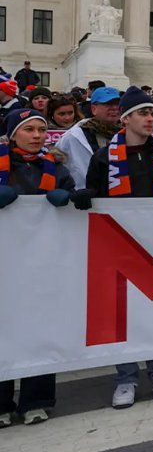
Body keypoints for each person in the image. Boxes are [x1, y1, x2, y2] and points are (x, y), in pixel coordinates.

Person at [78, 86, 153, 410]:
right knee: (123, 314)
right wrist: (85, 195)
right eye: (144, 113)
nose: (150, 118)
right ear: (127, 119)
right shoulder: (103, 157)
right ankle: (126, 377)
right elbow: (95, 191)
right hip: (120, 245)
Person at [0, 109, 77, 426]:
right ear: (13, 134)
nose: (36, 136)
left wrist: (70, 198)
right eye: (29, 130)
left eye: (41, 130)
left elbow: (73, 200)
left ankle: (37, 399)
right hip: (6, 263)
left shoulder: (57, 168)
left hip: (44, 262)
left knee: (41, 329)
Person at [55, 86, 122, 188]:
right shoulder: (73, 137)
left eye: (117, 104)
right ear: (94, 109)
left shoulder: (129, 134)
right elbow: (59, 169)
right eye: (108, 104)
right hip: (85, 199)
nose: (114, 108)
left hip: (121, 198)